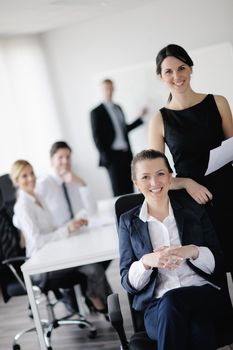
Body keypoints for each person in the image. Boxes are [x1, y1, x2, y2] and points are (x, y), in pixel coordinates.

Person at [119, 149, 233, 350]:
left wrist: (192, 251)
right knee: (197, 328)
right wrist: (147, 261)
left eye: (160, 174)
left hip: (202, 294)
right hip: (157, 308)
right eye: (145, 177)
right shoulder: (128, 222)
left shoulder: (194, 209)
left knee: (175, 302)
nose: (154, 183)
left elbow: (219, 261)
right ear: (137, 183)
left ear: (170, 177)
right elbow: (128, 283)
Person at [148, 44, 233, 278]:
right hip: (194, 204)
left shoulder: (218, 102)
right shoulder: (159, 119)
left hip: (228, 191)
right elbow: (157, 177)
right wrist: (186, 183)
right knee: (211, 272)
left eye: (182, 68)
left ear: (190, 69)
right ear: (160, 76)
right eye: (168, 71)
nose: (177, 76)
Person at [11, 160, 112, 318]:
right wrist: (66, 230)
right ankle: (104, 304)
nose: (31, 178)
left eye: (31, 173)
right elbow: (37, 240)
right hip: (41, 264)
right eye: (24, 176)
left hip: (53, 253)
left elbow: (51, 229)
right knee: (93, 267)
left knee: (94, 266)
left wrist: (71, 225)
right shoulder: (22, 206)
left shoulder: (37, 196)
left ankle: (108, 305)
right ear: (16, 181)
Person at [90, 78, 147, 196]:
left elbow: (124, 130)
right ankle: (121, 214)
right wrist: (107, 157)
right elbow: (97, 137)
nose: (109, 91)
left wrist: (140, 118)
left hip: (126, 154)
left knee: (130, 188)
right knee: (119, 191)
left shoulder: (118, 108)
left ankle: (132, 214)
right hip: (112, 157)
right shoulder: (96, 112)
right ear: (101, 90)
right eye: (106, 88)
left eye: (111, 88)